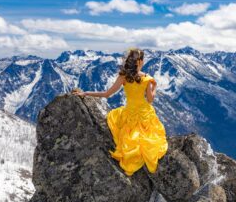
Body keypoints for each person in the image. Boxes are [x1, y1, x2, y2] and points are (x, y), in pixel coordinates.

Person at [72, 47, 168, 176]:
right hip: (145, 113)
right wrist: (154, 87)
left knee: (128, 134)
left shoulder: (124, 77)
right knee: (149, 138)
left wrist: (86, 93)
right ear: (140, 62)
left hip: (129, 112)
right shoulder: (147, 79)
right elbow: (150, 100)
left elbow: (107, 94)